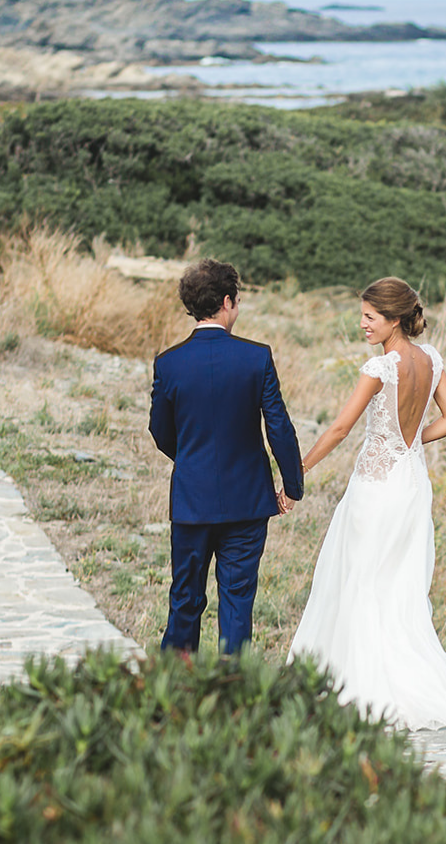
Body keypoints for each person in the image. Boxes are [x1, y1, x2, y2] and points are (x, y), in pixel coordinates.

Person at [288, 277, 446, 730]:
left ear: (395, 320)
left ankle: (361, 692)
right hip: (411, 482)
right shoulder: (431, 359)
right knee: (398, 588)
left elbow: (338, 430)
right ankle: (403, 686)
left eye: (370, 317)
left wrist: (298, 471)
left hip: (376, 487)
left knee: (359, 581)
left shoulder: (379, 370)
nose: (362, 325)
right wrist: (411, 442)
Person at [149, 259, 302, 656]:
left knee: (185, 599)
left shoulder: (169, 363)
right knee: (237, 603)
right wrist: (292, 486)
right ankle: (232, 693)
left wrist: (190, 460)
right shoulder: (257, 358)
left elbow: (160, 431)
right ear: (228, 301)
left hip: (191, 501)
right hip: (247, 500)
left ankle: (174, 688)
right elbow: (279, 428)